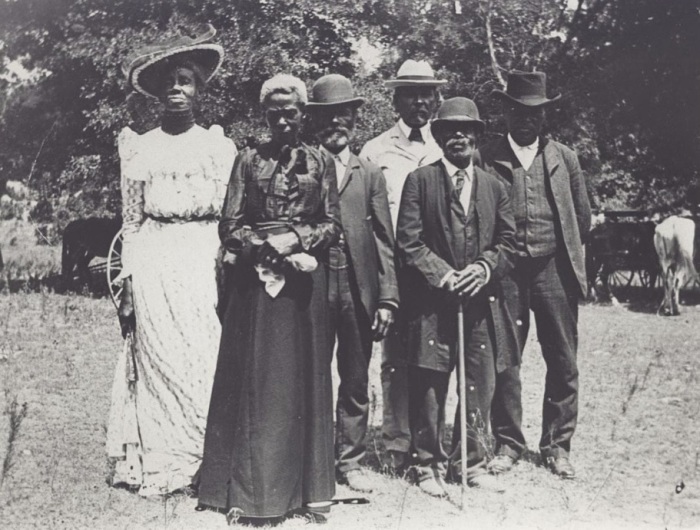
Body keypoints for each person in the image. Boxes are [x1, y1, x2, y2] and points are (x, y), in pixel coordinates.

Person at [197, 74, 342, 525]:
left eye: (291, 112)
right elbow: (230, 224)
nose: (283, 119)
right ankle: (250, 493)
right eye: (274, 112)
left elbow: (332, 223)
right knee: (256, 382)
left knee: (300, 381)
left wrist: (296, 240)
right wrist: (267, 248)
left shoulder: (321, 161)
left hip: (303, 289)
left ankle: (303, 492)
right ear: (265, 115)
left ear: (303, 114)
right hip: (254, 288)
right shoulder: (247, 160)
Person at [106, 26, 237, 495]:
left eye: (186, 81)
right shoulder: (140, 147)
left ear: (200, 89)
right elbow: (133, 221)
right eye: (170, 83)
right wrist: (129, 282)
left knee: (202, 354)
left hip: (203, 259)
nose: (177, 90)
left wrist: (228, 267)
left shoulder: (218, 147)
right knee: (159, 356)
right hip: (157, 259)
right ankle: (162, 460)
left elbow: (230, 218)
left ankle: (205, 457)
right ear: (159, 94)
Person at [396, 97, 517, 496]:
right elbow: (409, 243)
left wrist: (482, 269)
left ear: (478, 136)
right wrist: (445, 275)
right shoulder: (421, 180)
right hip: (433, 303)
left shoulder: (495, 186)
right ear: (439, 136)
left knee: (478, 383)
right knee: (430, 381)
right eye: (449, 130)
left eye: (466, 130)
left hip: (480, 303)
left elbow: (508, 242)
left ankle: (472, 462)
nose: (458, 136)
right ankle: (425, 463)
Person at [480, 70, 591, 479]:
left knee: (562, 359)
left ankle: (557, 446)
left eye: (536, 113)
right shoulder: (486, 156)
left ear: (545, 116)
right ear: (506, 112)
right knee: (505, 360)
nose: (527, 119)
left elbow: (582, 217)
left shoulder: (565, 158)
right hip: (505, 273)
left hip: (553, 270)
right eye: (518, 111)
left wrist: (561, 256)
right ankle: (508, 442)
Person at [306, 74, 399, 493]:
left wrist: (387, 299)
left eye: (343, 115)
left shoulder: (371, 173)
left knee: (356, 377)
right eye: (327, 117)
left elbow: (384, 238)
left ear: (354, 120)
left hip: (359, 287)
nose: (336, 124)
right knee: (312, 373)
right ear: (316, 122)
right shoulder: (302, 165)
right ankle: (313, 457)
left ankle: (351, 459)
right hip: (313, 286)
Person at [359, 59, 445, 474]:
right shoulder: (375, 150)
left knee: (431, 358)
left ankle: (430, 442)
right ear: (396, 98)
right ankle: (395, 444)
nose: (420, 102)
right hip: (391, 268)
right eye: (411, 93)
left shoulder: (446, 146)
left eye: (427, 93)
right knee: (394, 357)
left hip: (434, 271)